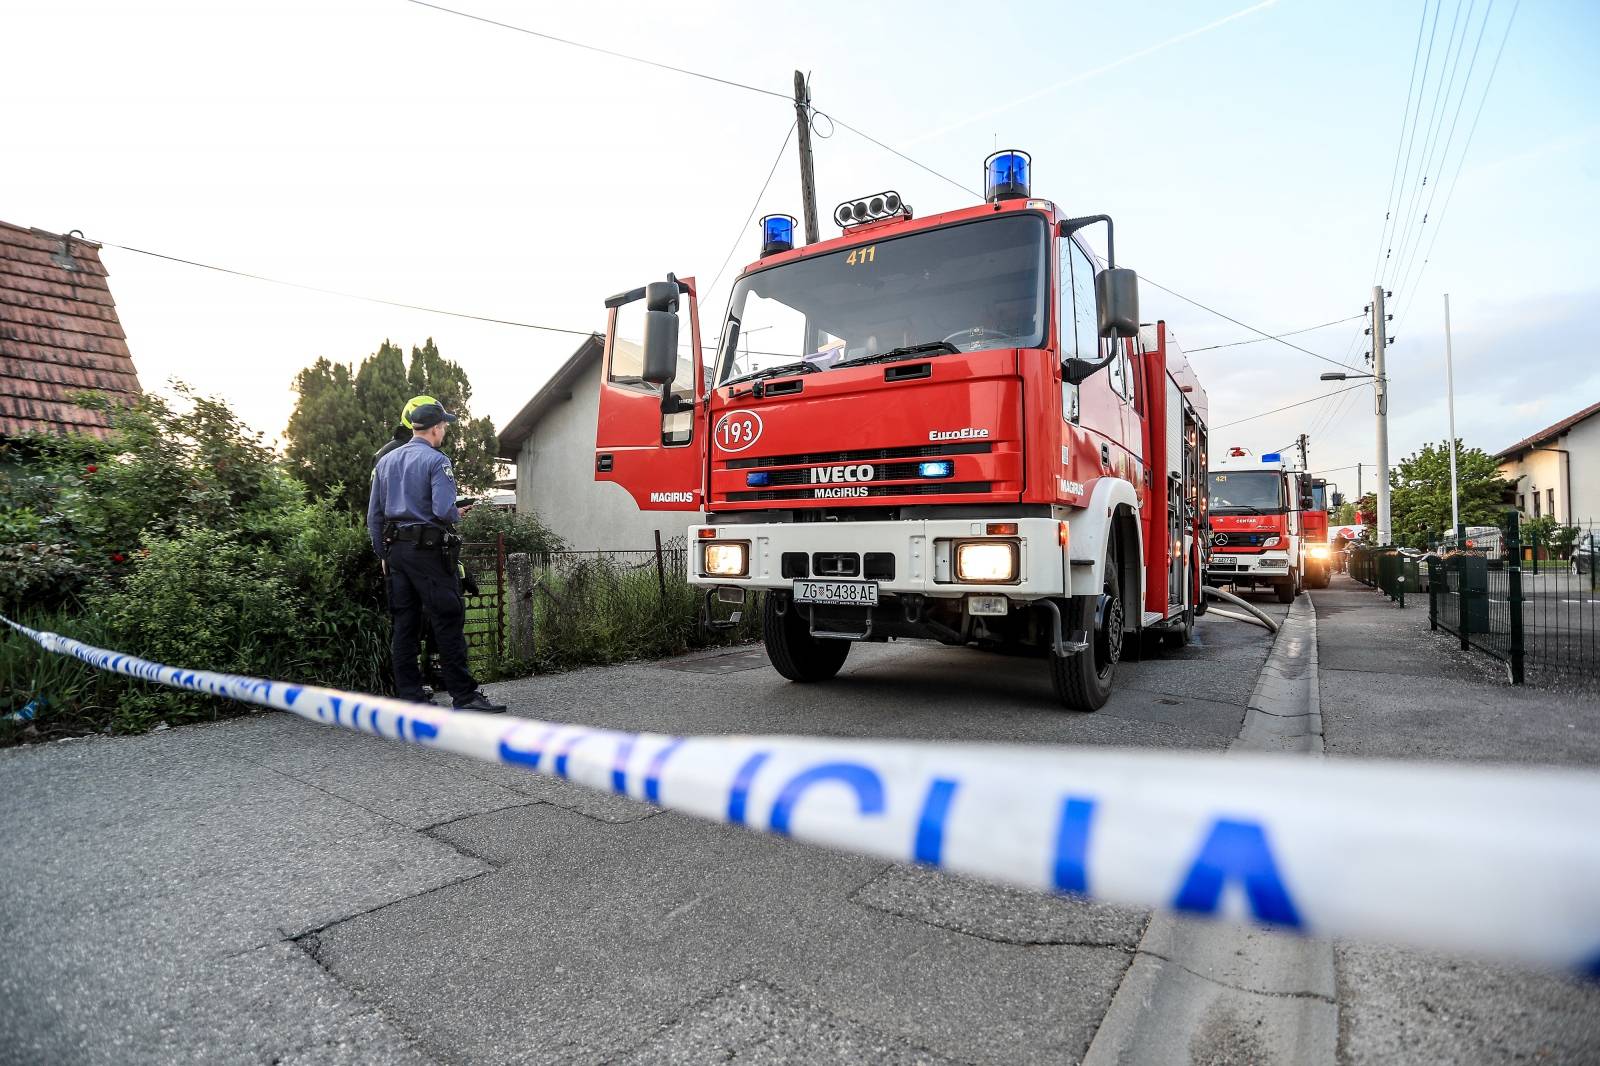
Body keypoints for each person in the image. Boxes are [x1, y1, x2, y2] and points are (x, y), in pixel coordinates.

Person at [368, 397, 505, 713]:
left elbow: (373, 516)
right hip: (428, 553)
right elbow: (443, 510)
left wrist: (383, 554)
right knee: (448, 617)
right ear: (435, 428)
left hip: (396, 552)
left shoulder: (385, 462)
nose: (444, 432)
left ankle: (410, 697)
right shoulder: (436, 461)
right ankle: (465, 696)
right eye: (444, 426)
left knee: (405, 624)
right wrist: (458, 513)